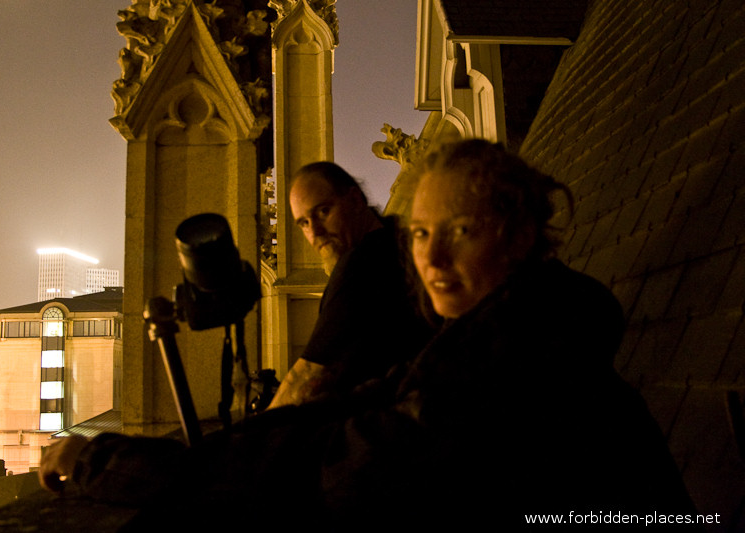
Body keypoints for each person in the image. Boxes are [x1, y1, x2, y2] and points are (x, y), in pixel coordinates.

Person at [39, 140, 695, 530]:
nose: (431, 262)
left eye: (459, 231)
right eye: (421, 233)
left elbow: (333, 458)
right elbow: (361, 403)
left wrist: (109, 462)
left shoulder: (514, 359)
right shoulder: (506, 329)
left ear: (520, 234)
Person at [267, 161, 431, 408]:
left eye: (323, 212)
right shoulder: (396, 240)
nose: (315, 233)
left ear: (355, 200)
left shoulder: (362, 262)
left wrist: (250, 439)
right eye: (304, 223)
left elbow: (308, 378)